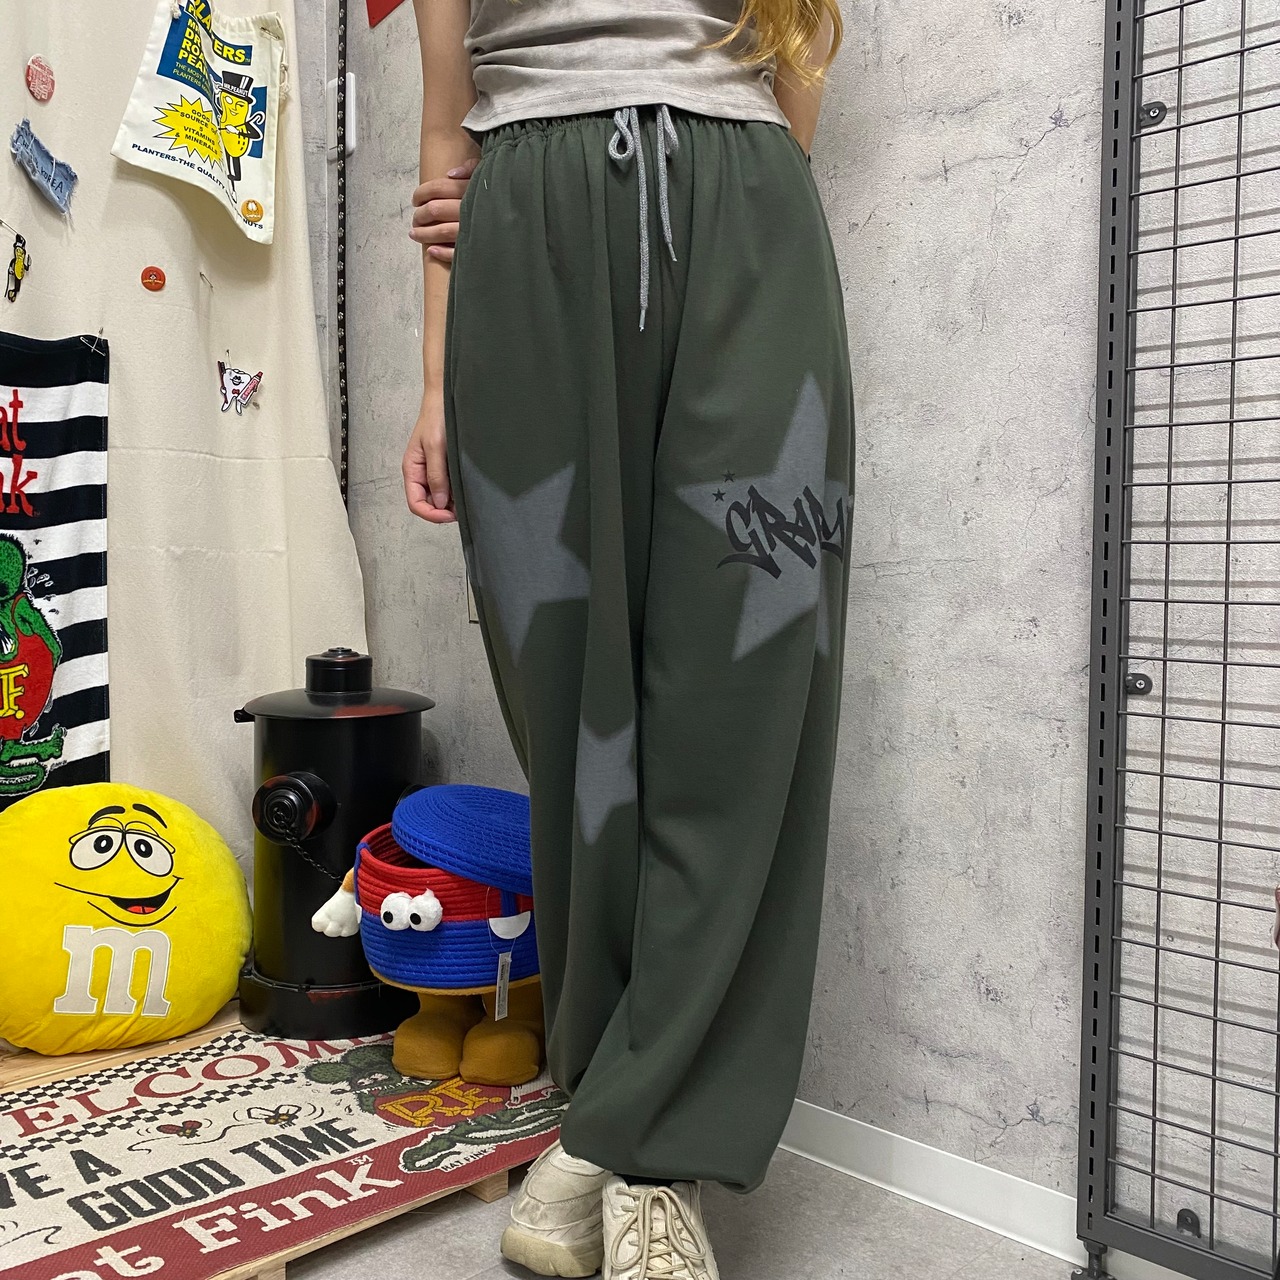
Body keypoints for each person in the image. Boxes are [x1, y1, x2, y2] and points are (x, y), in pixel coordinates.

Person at [402, 3, 853, 1277]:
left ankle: (640, 1152)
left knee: (746, 694)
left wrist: (731, 196)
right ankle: (606, 1099)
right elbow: (443, 124)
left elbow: (799, 61)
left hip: (744, 212)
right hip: (523, 230)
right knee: (575, 714)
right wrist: (432, 378)